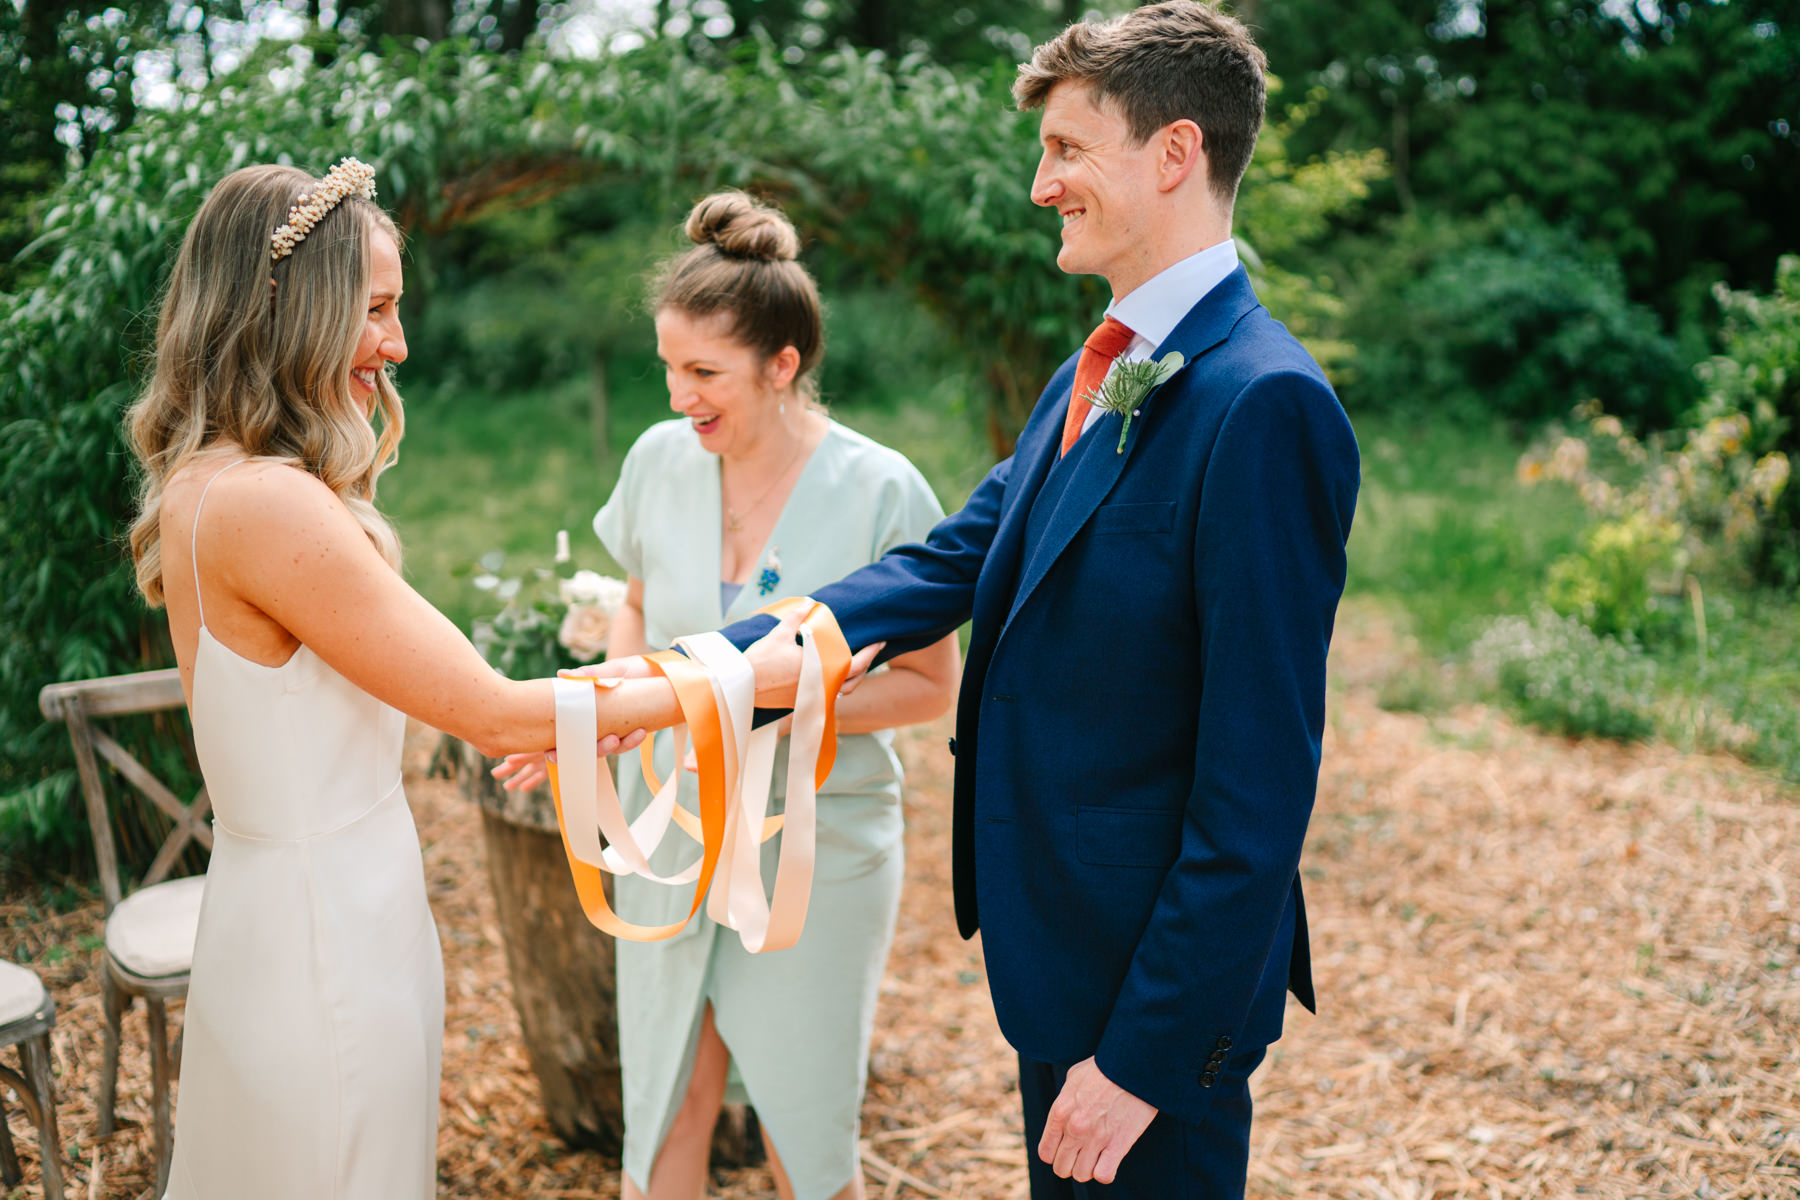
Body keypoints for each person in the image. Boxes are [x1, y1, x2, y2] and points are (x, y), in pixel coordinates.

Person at [697, 5, 1361, 1196]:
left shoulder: (1266, 405)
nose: (1041, 181)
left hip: (1149, 1012)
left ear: (1174, 153)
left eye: (1068, 148)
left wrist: (1145, 1060)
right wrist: (695, 677)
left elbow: (1258, 783)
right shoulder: (1095, 366)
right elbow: (943, 565)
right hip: (1062, 963)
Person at [124, 161, 816, 1199]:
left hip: (308, 902)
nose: (398, 345)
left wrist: (610, 697)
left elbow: (461, 689)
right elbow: (494, 711)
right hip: (324, 933)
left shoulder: (216, 480)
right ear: (291, 307)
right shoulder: (267, 504)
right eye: (378, 310)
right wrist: (733, 672)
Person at [500, 190, 960, 1200]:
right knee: (667, 1097)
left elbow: (929, 685)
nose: (679, 396)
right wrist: (615, 711)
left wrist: (754, 699)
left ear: (783, 364)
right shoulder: (659, 462)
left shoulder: (883, 490)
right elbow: (633, 609)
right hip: (671, 831)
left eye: (703, 373)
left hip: (819, 844)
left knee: (808, 1127)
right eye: (669, 368)